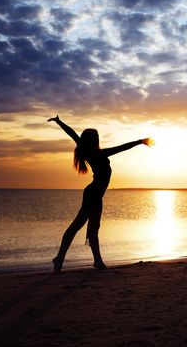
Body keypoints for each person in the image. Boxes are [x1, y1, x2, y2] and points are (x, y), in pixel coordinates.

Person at [48, 115, 154, 272]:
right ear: (89, 140)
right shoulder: (95, 154)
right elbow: (73, 134)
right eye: (95, 137)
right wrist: (139, 142)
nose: (97, 138)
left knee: (93, 228)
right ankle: (59, 258)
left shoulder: (97, 153)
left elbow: (120, 147)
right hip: (92, 193)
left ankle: (97, 260)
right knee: (77, 225)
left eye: (97, 136)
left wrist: (139, 142)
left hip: (96, 195)